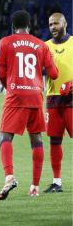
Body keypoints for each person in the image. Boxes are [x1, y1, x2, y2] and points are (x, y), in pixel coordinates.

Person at [0, 10, 58, 200]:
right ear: (30, 25)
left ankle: (9, 177)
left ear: (13, 26)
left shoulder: (5, 42)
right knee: (36, 140)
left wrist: (11, 87)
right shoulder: (41, 45)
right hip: (36, 96)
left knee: (4, 136)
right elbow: (54, 74)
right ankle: (35, 187)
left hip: (15, 94)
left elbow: (1, 73)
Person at [43, 13, 71, 193]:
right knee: (54, 140)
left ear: (65, 24)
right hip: (53, 99)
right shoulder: (44, 47)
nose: (53, 27)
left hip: (72, 99)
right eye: (50, 24)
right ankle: (57, 182)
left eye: (56, 23)